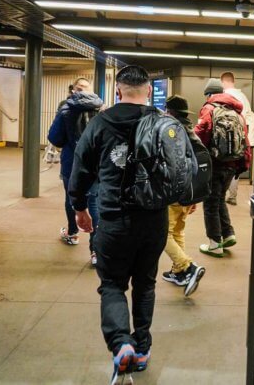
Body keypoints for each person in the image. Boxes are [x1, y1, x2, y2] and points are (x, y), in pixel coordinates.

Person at [69, 65, 167, 381]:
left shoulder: (100, 123)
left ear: (117, 91)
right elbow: (187, 163)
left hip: (114, 217)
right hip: (154, 218)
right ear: (148, 91)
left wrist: (79, 207)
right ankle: (142, 347)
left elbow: (81, 168)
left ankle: (121, 343)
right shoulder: (163, 122)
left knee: (112, 284)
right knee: (146, 283)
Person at [47, 77, 102, 265]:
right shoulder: (100, 108)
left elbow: (55, 138)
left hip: (71, 162)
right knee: (93, 203)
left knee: (71, 199)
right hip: (95, 164)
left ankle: (72, 233)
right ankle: (96, 252)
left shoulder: (65, 108)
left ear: (73, 90)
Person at [194, 78, 250, 257]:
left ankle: (214, 243)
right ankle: (228, 234)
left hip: (214, 164)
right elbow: (245, 139)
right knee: (219, 200)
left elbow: (200, 134)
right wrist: (243, 164)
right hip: (232, 165)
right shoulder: (236, 112)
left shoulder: (209, 109)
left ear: (209, 94)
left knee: (210, 203)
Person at [161, 95, 206, 297]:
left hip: (174, 192)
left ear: (169, 112)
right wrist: (194, 197)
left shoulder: (171, 132)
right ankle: (178, 272)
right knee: (178, 230)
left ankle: (188, 266)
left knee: (162, 233)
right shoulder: (191, 131)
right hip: (189, 191)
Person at [220, 72, 254, 206]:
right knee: (234, 166)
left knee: (224, 165)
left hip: (228, 138)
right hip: (242, 137)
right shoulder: (243, 97)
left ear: (223, 82)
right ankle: (232, 195)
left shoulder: (225, 96)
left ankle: (222, 193)